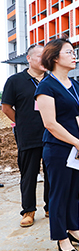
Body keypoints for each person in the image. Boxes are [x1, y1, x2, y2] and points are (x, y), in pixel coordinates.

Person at [35, 38, 79, 251]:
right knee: (59, 193)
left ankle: (74, 230)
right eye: (69, 52)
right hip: (59, 149)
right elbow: (50, 123)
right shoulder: (46, 86)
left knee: (74, 192)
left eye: (74, 52)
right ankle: (61, 237)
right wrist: (77, 142)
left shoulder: (76, 86)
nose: (74, 55)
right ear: (54, 57)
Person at [2, 44, 50, 227]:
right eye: (40, 56)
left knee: (51, 173)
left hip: (52, 134)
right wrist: (22, 122)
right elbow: (6, 107)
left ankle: (50, 207)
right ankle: (28, 211)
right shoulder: (15, 81)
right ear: (29, 59)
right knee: (29, 174)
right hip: (28, 135)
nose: (44, 60)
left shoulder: (51, 79)